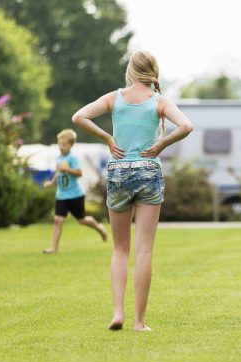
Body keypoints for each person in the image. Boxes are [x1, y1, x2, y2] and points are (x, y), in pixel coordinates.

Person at [72, 50, 193, 331]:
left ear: (131, 70)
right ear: (152, 72)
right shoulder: (159, 101)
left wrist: (107, 138)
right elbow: (186, 126)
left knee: (119, 248)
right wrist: (162, 144)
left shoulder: (114, 98)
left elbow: (79, 117)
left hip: (118, 172)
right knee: (144, 251)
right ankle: (139, 322)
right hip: (149, 170)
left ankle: (118, 312)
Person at [42, 129, 107, 254]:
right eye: (59, 144)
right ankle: (54, 249)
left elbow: (79, 173)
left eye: (64, 144)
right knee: (58, 220)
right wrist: (51, 182)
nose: (61, 147)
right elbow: (59, 172)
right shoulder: (58, 158)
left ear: (71, 145)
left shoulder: (73, 158)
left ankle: (99, 227)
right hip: (61, 195)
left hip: (75, 195)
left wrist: (67, 169)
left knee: (82, 220)